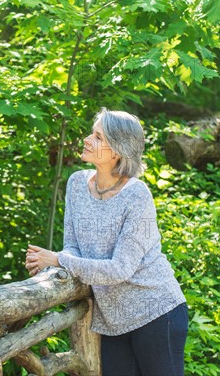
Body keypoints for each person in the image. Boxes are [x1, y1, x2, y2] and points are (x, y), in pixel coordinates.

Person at [25, 108, 188, 376]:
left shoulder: (137, 196)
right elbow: (73, 246)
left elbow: (120, 268)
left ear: (118, 150)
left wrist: (58, 260)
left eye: (98, 137)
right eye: (93, 133)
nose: (88, 139)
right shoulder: (77, 183)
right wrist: (52, 266)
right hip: (113, 321)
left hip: (157, 312)